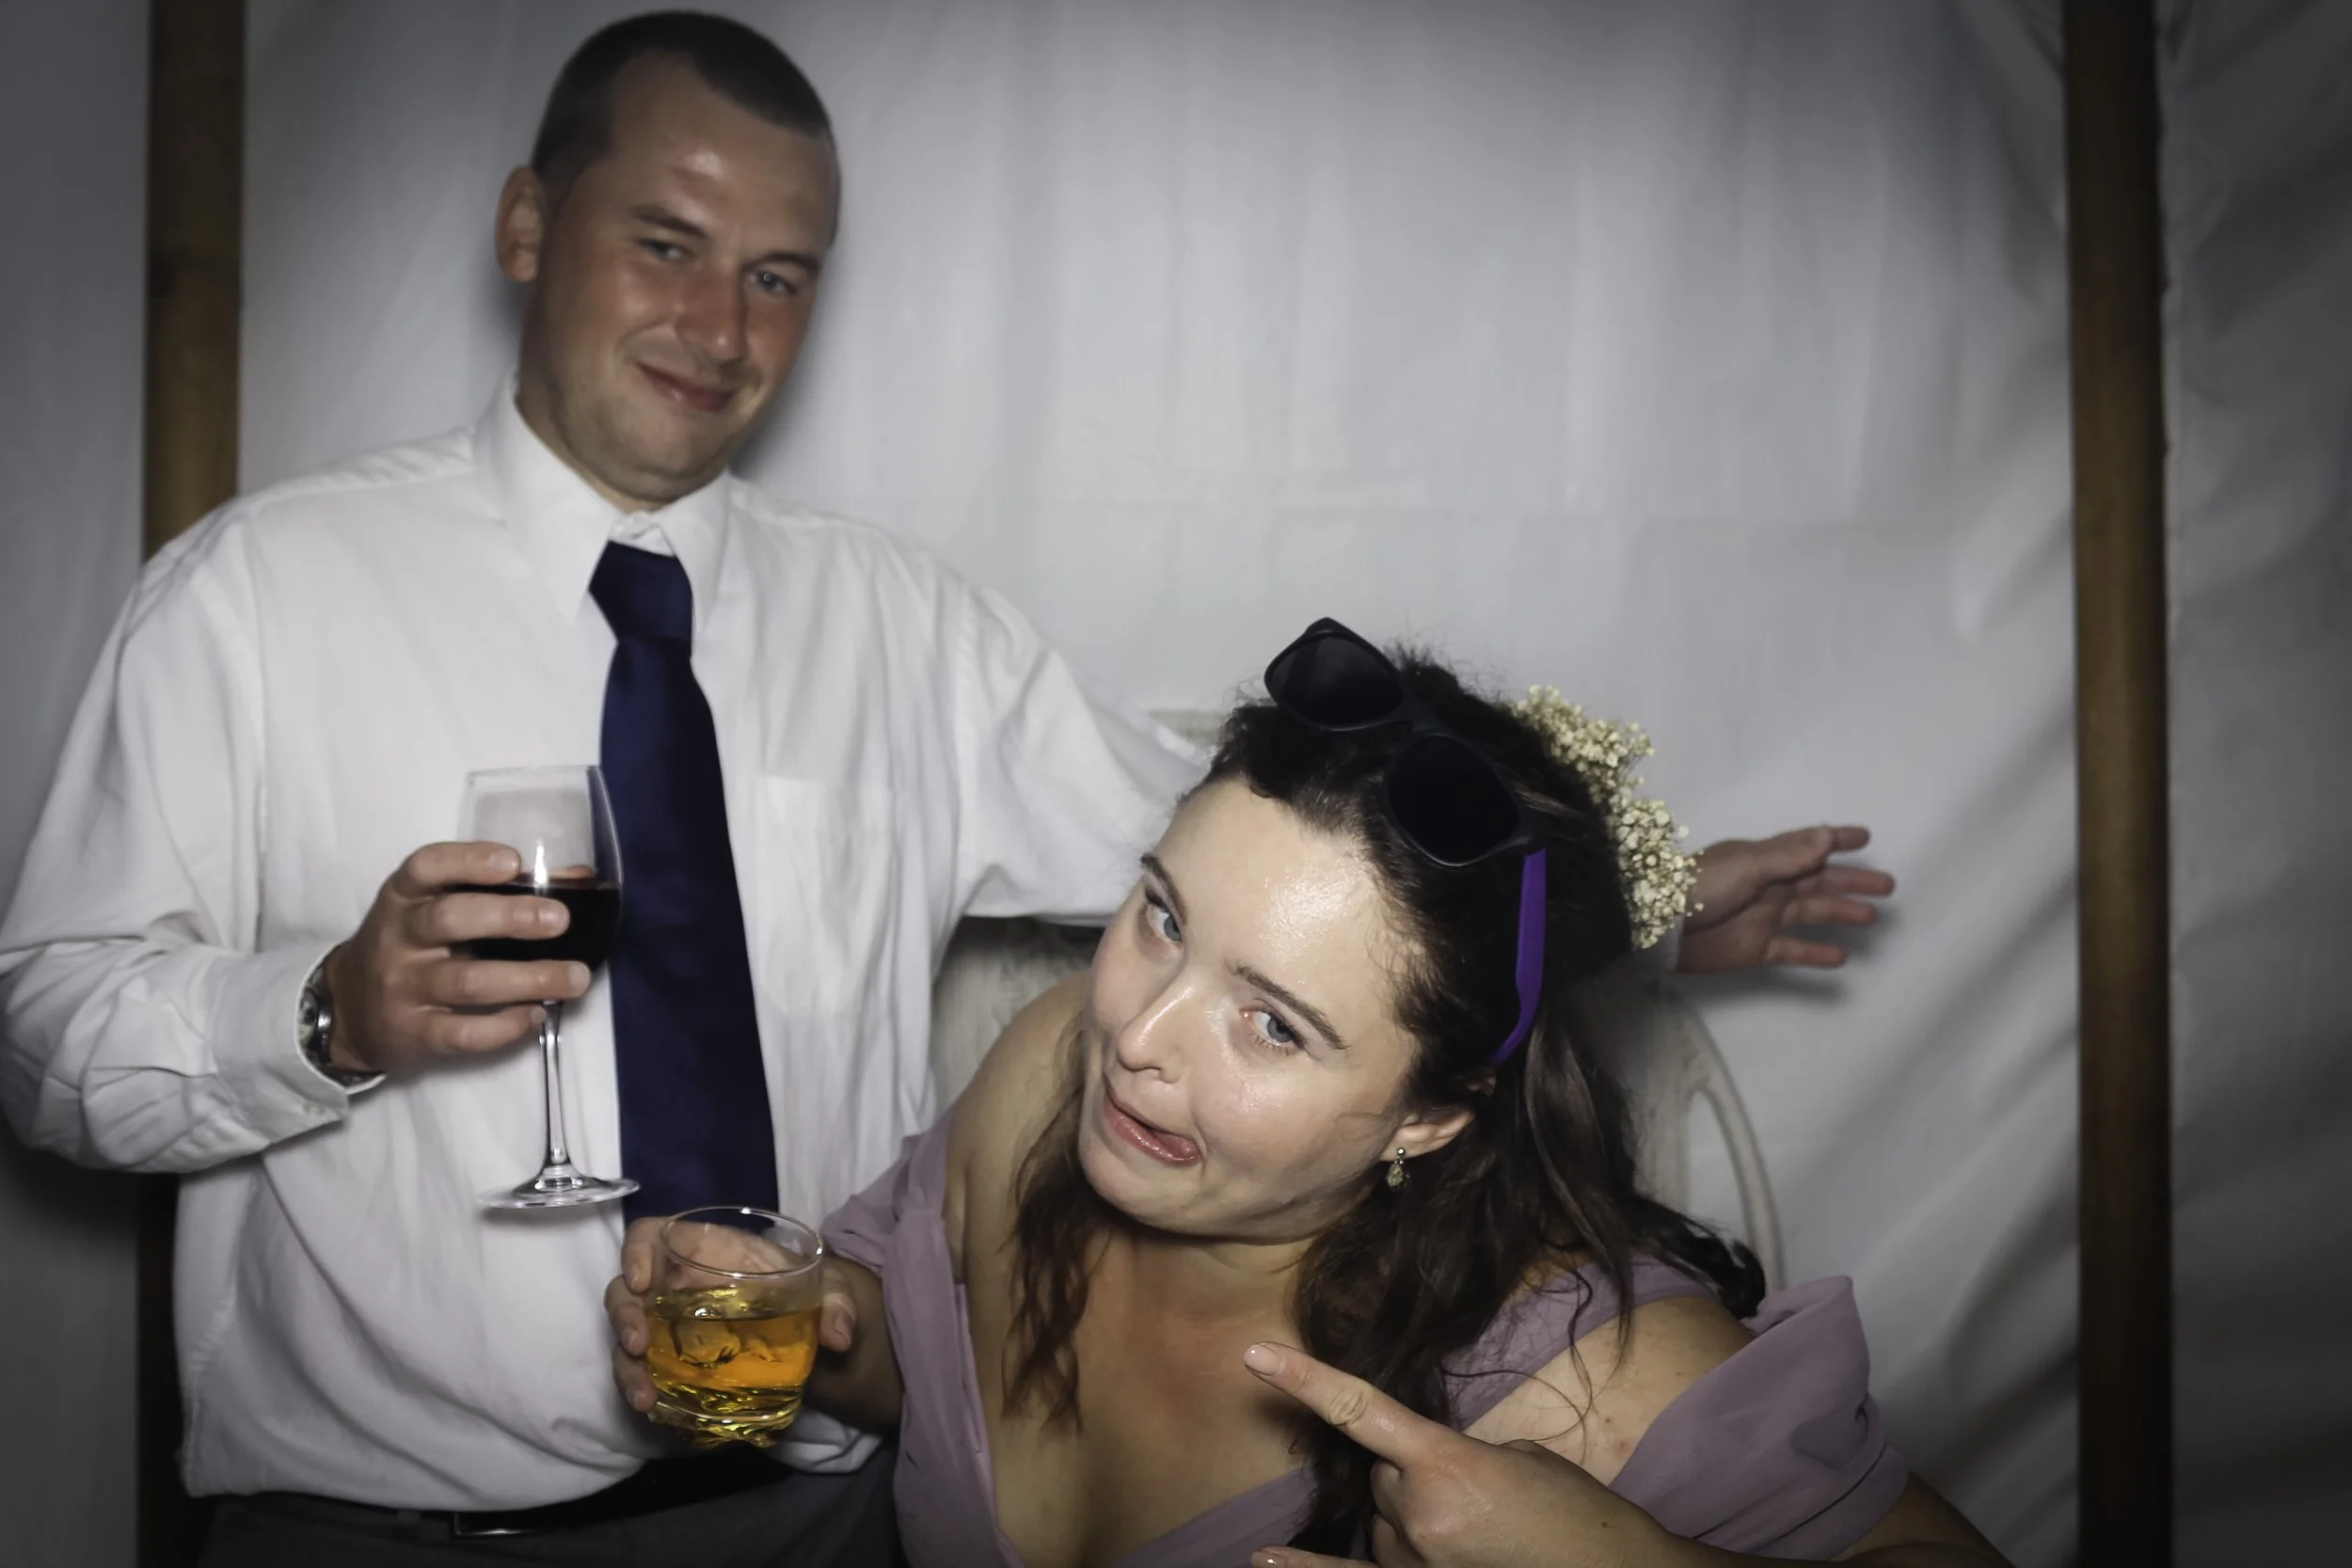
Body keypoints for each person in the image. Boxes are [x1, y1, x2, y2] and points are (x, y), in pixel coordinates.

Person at [1, 11, 1886, 1566]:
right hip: (380, 1527)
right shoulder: (254, 596)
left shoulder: (898, 620)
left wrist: (1630, 901)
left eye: (778, 276)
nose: (719, 325)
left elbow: (1264, 853)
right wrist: (327, 1010)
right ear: (526, 224)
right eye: (665, 242)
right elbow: (45, 1028)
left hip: (829, 1506)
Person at [607, 620, 1996, 1568]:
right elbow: (941, 1378)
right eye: (1162, 917)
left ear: (1435, 1112)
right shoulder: (1046, 1066)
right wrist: (804, 1334)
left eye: (1272, 1023)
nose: (1137, 1034)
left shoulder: (1578, 1375)